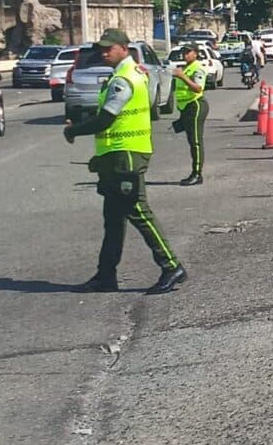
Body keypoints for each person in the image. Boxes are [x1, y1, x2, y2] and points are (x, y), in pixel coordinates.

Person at [63, 28, 186, 296]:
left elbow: (106, 118)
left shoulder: (124, 79)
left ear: (124, 48)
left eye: (109, 48)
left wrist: (74, 130)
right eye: (101, 48)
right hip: (116, 155)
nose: (104, 53)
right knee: (113, 218)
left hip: (126, 155)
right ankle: (105, 275)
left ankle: (171, 266)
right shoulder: (129, 74)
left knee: (138, 211)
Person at [173, 43, 208, 187]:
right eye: (184, 52)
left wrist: (182, 77)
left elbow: (198, 88)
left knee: (196, 142)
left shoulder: (197, 68)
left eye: (188, 52)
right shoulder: (184, 68)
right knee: (191, 141)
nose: (185, 55)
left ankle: (197, 174)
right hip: (185, 107)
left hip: (196, 105)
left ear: (195, 53)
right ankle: (195, 172)